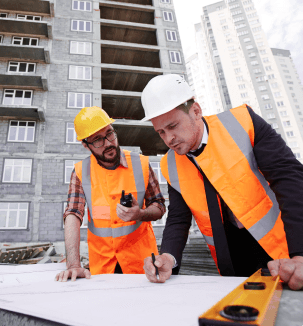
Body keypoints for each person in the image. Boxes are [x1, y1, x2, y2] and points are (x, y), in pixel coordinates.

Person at [141, 74, 303, 290]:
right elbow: (179, 218)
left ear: (196, 111)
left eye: (173, 126)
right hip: (232, 262)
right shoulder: (170, 164)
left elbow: (289, 180)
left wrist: (300, 252)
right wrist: (169, 257)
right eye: (161, 132)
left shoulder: (243, 122)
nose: (168, 138)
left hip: (285, 249)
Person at [55, 106, 166, 282]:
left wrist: (141, 214)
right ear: (85, 144)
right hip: (103, 268)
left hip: (143, 266)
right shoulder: (80, 172)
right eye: (98, 140)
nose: (108, 143)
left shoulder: (141, 164)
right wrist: (73, 265)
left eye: (109, 133)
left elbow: (159, 206)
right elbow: (73, 215)